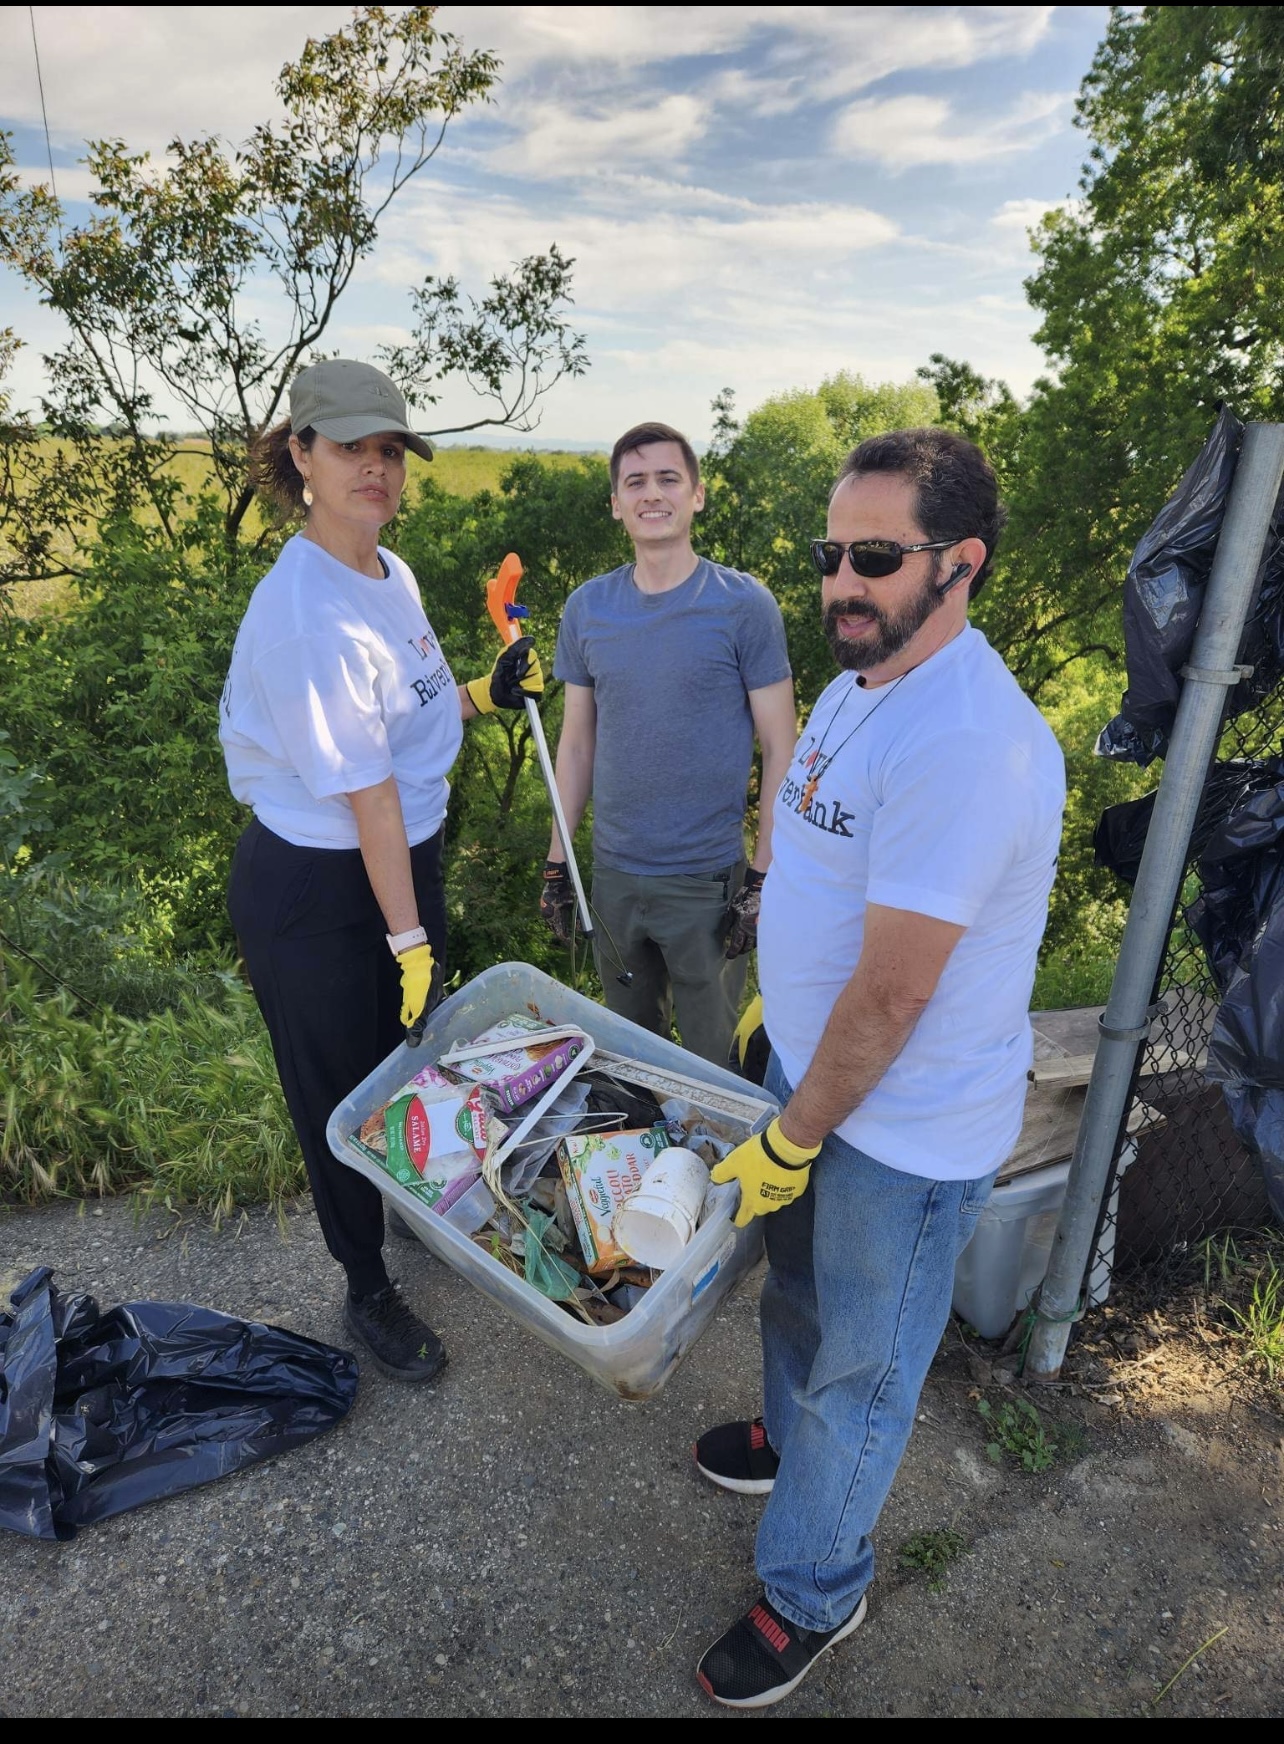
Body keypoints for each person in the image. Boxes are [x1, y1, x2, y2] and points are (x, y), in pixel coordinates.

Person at [691, 428, 1066, 1707]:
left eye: (873, 556)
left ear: (959, 564)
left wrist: (795, 1133)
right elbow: (797, 828)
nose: (839, 581)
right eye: (828, 553)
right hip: (814, 1076)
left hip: (896, 1133)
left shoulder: (971, 741)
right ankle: (786, 1446)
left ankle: (814, 1590)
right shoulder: (865, 679)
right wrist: (768, 1014)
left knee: (864, 1366)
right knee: (794, 1303)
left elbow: (901, 989)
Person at [220, 359, 542, 1384]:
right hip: (319, 888)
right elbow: (364, 793)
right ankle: (365, 1282)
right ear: (300, 454)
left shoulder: (386, 574)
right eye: (352, 446)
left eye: (391, 449)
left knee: (405, 1059)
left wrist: (482, 696)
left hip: (402, 861)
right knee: (339, 1087)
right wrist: (407, 937)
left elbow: (413, 709)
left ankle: (406, 1210)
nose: (375, 466)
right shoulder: (304, 606)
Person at [539, 421, 796, 1065]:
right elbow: (574, 747)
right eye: (635, 482)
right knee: (630, 1056)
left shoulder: (744, 606)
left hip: (710, 884)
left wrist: (763, 877)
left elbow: (781, 747)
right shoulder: (588, 608)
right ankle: (647, 1166)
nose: (652, 494)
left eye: (667, 479)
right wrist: (556, 864)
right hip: (615, 876)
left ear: (697, 495)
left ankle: (725, 1166)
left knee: (718, 1060)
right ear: (616, 504)